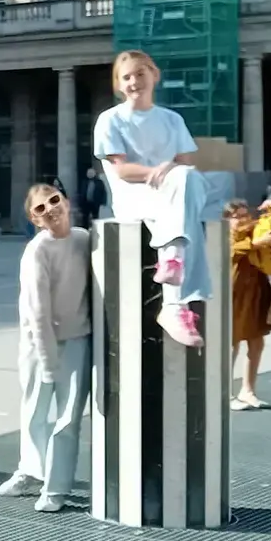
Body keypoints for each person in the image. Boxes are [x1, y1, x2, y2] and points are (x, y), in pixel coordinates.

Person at [93, 49, 220, 348]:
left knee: (188, 181)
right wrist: (160, 171)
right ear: (118, 85)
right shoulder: (110, 120)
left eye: (140, 73)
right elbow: (122, 169)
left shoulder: (172, 119)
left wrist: (171, 170)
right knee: (182, 204)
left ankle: (173, 270)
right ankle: (176, 303)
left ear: (154, 75)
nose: (134, 81)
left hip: (173, 192)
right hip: (134, 197)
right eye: (127, 77)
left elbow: (186, 165)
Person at [0, 185, 90, 513]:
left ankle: (55, 489)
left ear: (66, 202)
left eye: (54, 201)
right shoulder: (37, 250)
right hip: (38, 343)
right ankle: (31, 471)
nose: (50, 209)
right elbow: (38, 312)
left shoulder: (84, 239)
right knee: (35, 412)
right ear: (34, 219)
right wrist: (49, 363)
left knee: (68, 419)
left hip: (78, 338)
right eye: (40, 208)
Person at [226, 199, 271, 410]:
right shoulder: (222, 235)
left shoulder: (254, 230)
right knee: (232, 344)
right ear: (227, 219)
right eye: (237, 216)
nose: (243, 220)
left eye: (246, 215)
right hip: (233, 293)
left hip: (255, 291)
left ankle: (248, 390)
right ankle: (225, 394)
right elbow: (230, 252)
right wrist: (255, 244)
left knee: (256, 343)